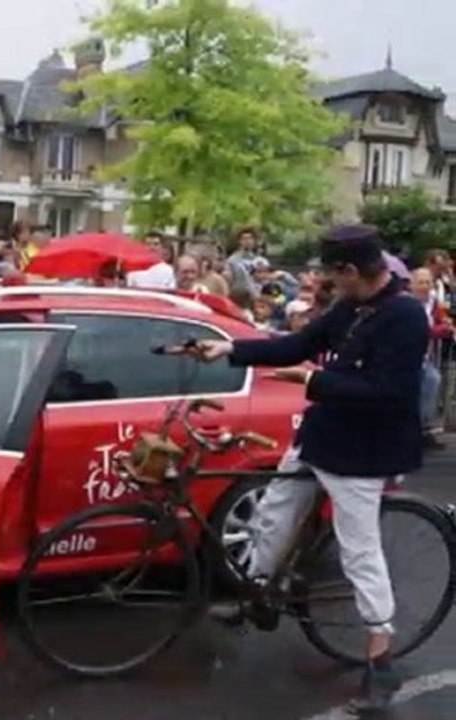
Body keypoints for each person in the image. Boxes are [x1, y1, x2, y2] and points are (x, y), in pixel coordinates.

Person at [193, 224, 427, 712]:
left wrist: (315, 381)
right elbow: (296, 345)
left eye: (330, 273)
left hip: (364, 451)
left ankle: (379, 661)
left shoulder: (404, 317)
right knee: (272, 513)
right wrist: (231, 350)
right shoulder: (352, 306)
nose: (326, 282)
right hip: (322, 436)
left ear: (349, 271)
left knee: (360, 551)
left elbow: (388, 391)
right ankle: (256, 597)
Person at [410, 267, 451, 449]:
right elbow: (420, 330)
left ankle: (422, 429)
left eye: (428, 282)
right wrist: (440, 329)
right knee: (430, 380)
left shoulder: (434, 303)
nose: (425, 286)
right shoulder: (406, 304)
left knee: (430, 382)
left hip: (425, 356)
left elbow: (443, 322)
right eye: (421, 282)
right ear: (412, 285)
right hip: (405, 356)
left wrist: (446, 326)